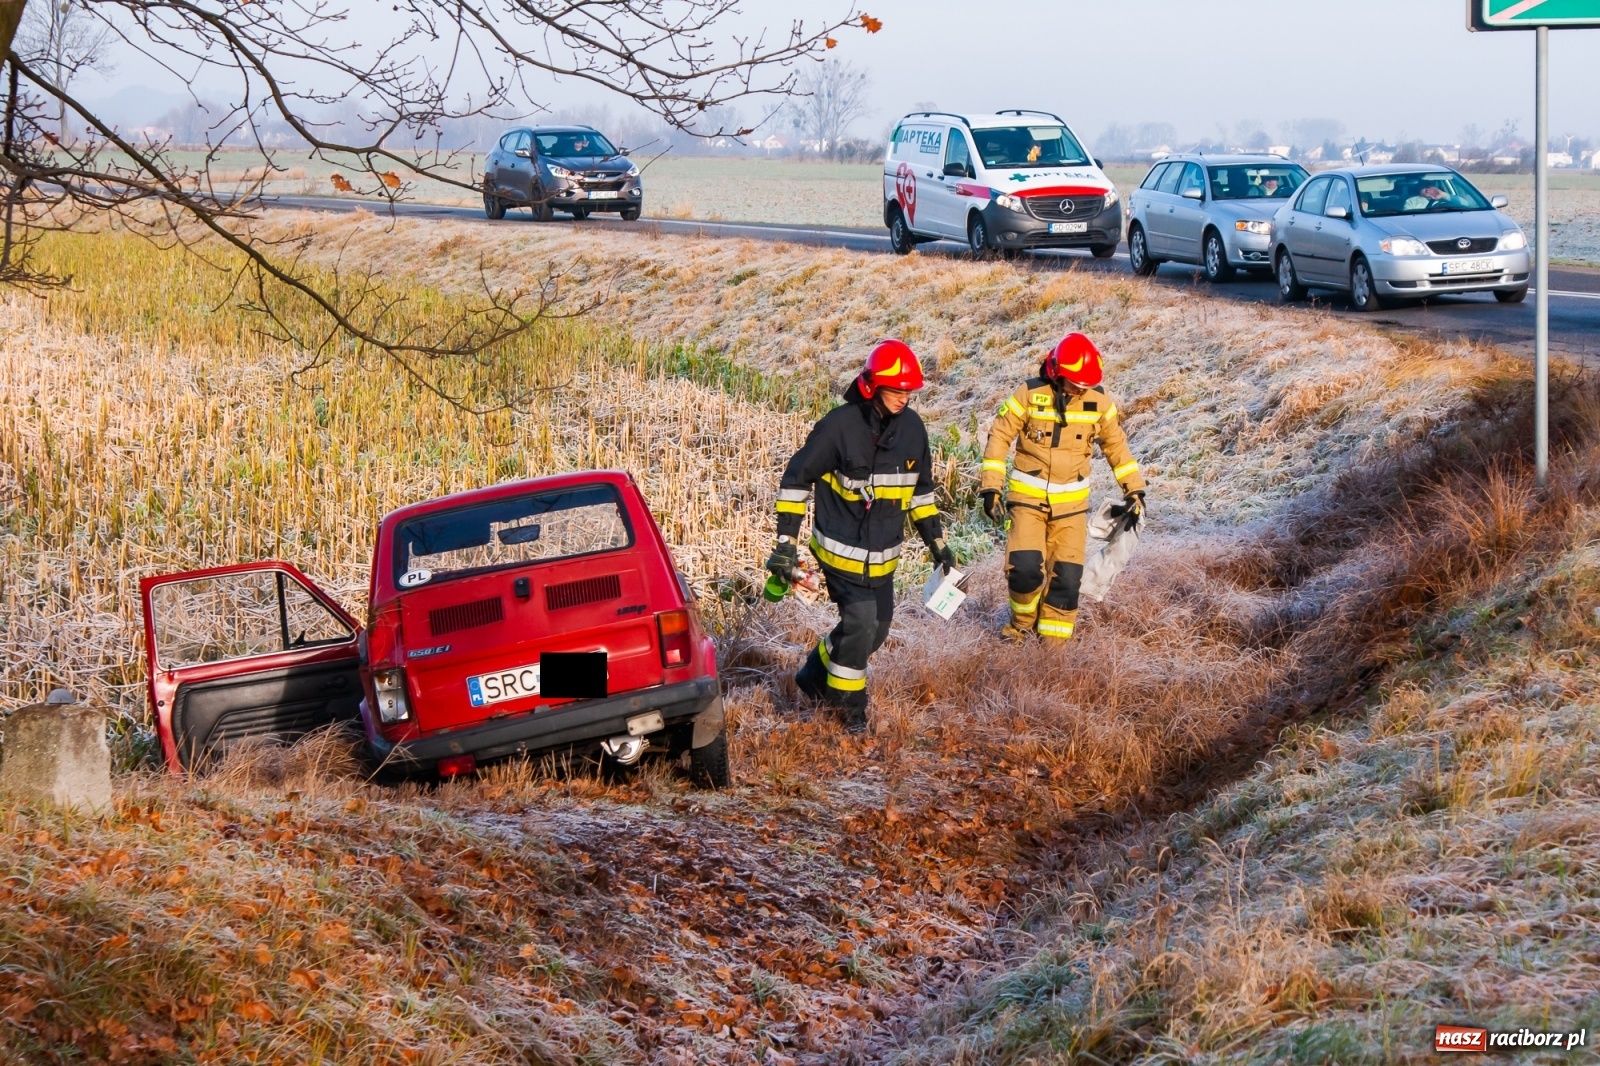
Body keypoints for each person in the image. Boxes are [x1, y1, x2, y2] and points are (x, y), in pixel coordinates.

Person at [767, 340, 955, 732]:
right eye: (895, 389)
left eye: (909, 391)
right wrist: (786, 543)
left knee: (877, 629)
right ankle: (850, 711)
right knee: (860, 623)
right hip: (839, 553)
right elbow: (796, 479)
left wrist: (937, 543)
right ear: (872, 386)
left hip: (882, 558)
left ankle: (814, 674)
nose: (904, 397)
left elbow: (920, 494)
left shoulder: (913, 432)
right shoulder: (838, 428)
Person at [980, 333, 1145, 642]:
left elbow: (1117, 447)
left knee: (1067, 582)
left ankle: (1052, 654)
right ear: (1056, 373)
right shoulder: (1028, 394)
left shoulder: (1100, 402)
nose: (1079, 390)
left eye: (1084, 384)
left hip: (1071, 508)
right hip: (1027, 500)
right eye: (1073, 383)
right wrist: (991, 488)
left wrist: (1134, 491)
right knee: (1024, 570)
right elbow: (999, 436)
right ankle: (1020, 627)